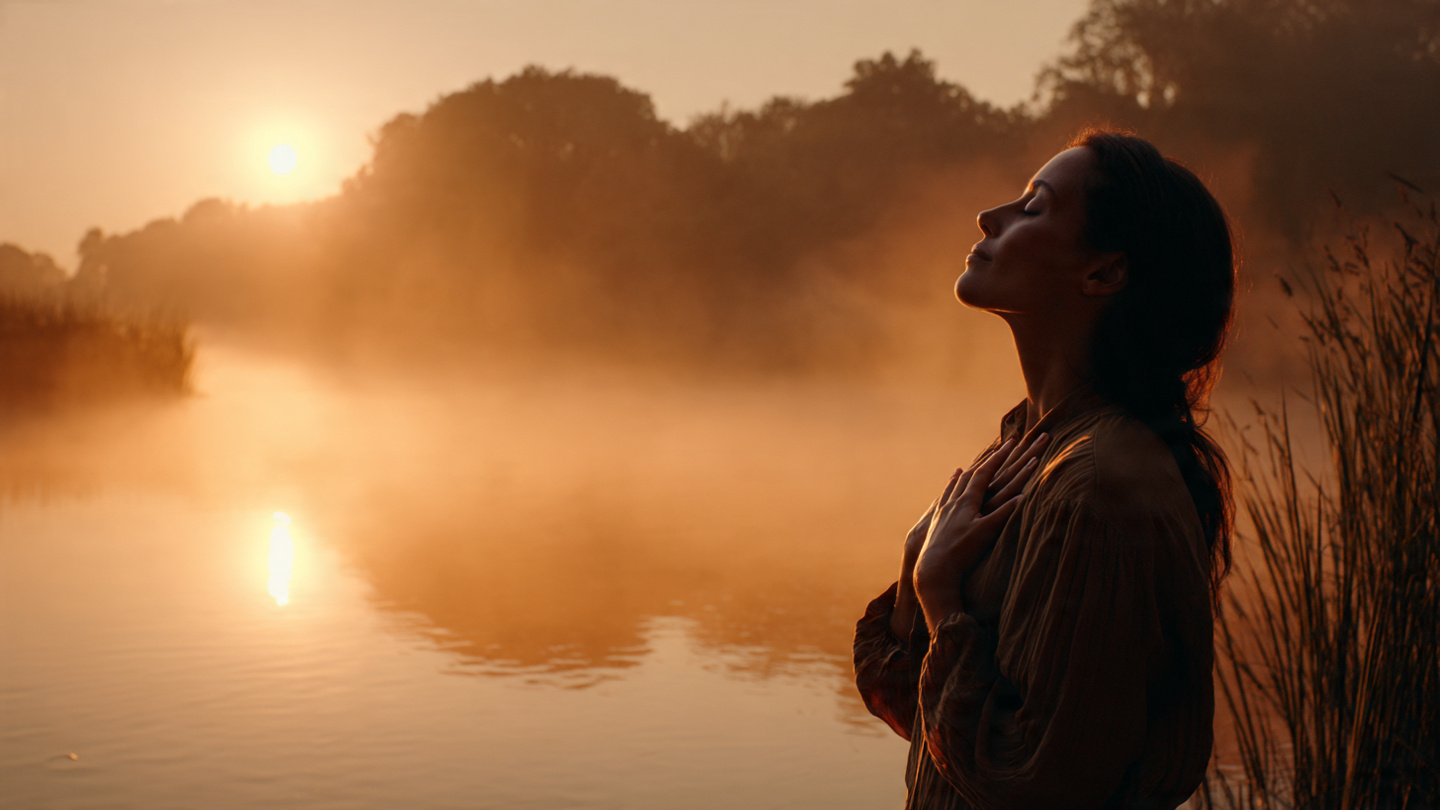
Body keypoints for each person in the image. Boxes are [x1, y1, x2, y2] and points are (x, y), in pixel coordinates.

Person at [853, 130, 1235, 810]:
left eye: (1034, 207)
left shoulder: (1100, 489)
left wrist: (942, 602)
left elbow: (1039, 785)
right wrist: (925, 585)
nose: (990, 217)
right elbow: (937, 732)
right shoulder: (1037, 447)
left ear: (1104, 273)